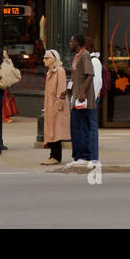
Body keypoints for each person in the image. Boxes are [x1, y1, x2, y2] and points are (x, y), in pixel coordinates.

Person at [68, 34, 95, 164]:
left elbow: (90, 74)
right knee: (75, 128)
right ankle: (77, 156)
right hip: (75, 97)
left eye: (72, 41)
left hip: (82, 99)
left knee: (82, 128)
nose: (70, 43)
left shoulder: (85, 55)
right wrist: (66, 90)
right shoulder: (77, 56)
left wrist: (83, 91)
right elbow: (74, 77)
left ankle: (84, 156)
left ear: (77, 43)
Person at [41, 49, 68, 165]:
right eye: (44, 58)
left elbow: (62, 89)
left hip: (57, 106)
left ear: (54, 59)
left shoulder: (60, 71)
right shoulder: (50, 72)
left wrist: (58, 105)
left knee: (56, 132)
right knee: (51, 131)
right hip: (50, 105)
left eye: (47, 58)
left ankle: (56, 157)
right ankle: (52, 155)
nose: (44, 60)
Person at [85, 35, 102, 162]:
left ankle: (93, 157)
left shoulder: (94, 61)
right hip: (85, 99)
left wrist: (91, 98)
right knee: (85, 127)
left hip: (91, 99)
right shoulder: (85, 60)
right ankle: (86, 155)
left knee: (91, 127)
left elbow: (97, 82)